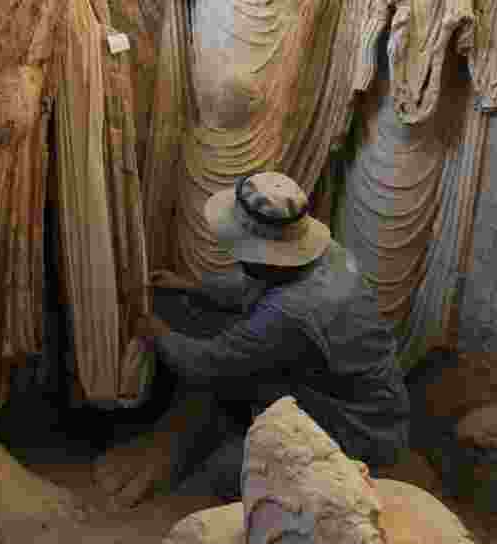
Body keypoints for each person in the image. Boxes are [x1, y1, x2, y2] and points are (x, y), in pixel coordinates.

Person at [140, 172, 410, 485]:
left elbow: (206, 363)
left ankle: (343, 469)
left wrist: (155, 331)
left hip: (360, 427)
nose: (238, 257)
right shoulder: (324, 256)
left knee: (229, 474)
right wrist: (192, 287)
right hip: (368, 399)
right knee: (238, 366)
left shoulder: (290, 312)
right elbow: (251, 285)